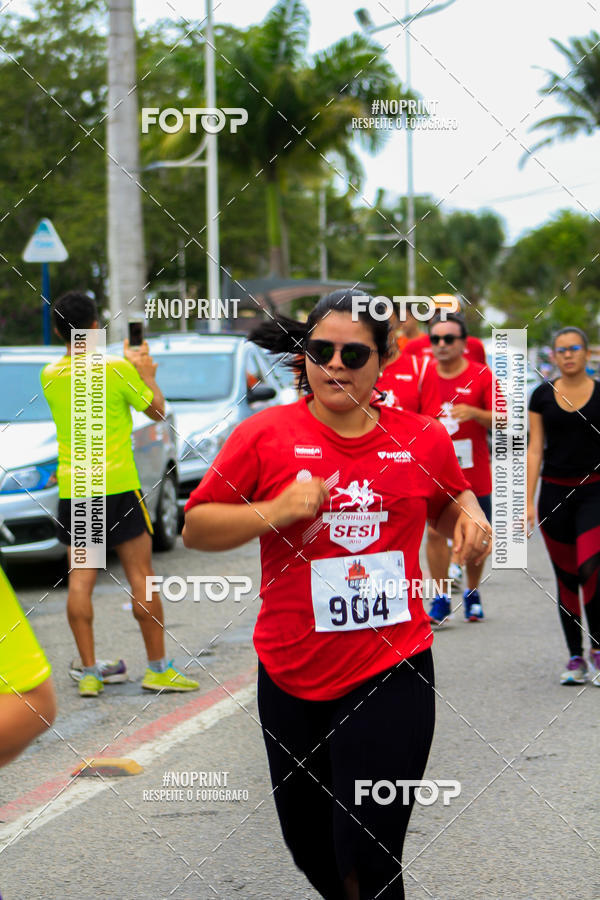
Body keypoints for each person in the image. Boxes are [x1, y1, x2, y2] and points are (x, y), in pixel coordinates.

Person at [183, 290, 491, 899]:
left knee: (369, 855)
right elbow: (195, 527)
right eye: (321, 351)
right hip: (291, 672)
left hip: (391, 667)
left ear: (384, 359)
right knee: (314, 851)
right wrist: (276, 510)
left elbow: (451, 497)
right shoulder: (265, 435)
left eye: (353, 354)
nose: (335, 366)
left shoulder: (420, 438)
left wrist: (471, 518)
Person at [41, 291, 199, 697]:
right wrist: (147, 374)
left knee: (80, 581)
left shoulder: (50, 375)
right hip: (119, 487)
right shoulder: (117, 368)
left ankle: (90, 673)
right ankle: (158, 669)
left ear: (57, 331)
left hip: (77, 490)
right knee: (141, 577)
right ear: (96, 326)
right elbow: (157, 411)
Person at [527, 326, 600, 685]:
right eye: (561, 349)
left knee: (591, 569)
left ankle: (597, 650)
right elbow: (534, 449)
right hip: (554, 496)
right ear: (553, 356)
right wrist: (527, 502)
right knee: (567, 577)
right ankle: (575, 658)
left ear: (586, 353)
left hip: (595, 494)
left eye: (574, 348)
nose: (568, 354)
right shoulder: (541, 395)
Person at [426, 312, 494, 626]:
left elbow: (504, 418)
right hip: (435, 472)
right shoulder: (424, 375)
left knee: (476, 536)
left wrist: (475, 413)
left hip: (474, 472)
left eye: (449, 338)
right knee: (434, 533)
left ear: (464, 343)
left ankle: (472, 592)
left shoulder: (481, 375)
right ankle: (441, 597)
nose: (441, 344)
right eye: (435, 339)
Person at [0, 563, 56, 768]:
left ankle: (89, 672)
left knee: (81, 579)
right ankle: (151, 667)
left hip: (80, 539)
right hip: (99, 538)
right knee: (140, 572)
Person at [374, 304, 440, 415]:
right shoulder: (354, 369)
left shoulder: (422, 369)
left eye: (387, 326)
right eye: (376, 327)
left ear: (399, 324)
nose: (382, 333)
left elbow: (432, 421)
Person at [403, 296, 486, 364]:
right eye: (436, 315)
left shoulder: (474, 345)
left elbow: (484, 375)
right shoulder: (413, 347)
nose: (440, 319)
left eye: (447, 314)